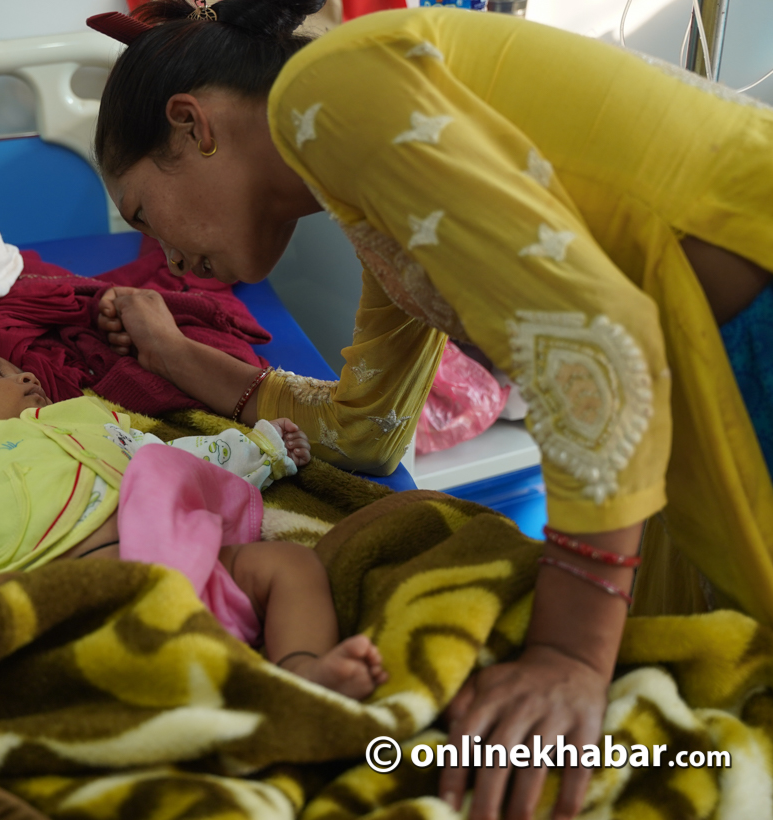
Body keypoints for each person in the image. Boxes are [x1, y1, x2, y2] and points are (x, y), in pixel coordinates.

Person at [85, 1, 773, 818]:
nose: (161, 254)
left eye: (141, 212)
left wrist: (566, 652)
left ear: (192, 125)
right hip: (701, 393)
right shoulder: (374, 208)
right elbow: (365, 434)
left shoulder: (332, 88)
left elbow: (593, 343)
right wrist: (172, 356)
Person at [0, 352, 389, 700]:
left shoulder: (90, 422)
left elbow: (179, 464)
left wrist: (260, 447)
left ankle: (303, 669)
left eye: (22, 371)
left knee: (291, 566)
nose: (25, 377)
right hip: (77, 590)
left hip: (184, 560)